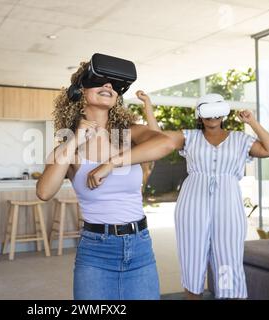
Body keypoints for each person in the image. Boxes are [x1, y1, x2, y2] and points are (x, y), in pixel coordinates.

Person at [36, 54, 177, 300]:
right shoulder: (69, 148)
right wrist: (75, 138)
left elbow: (165, 143)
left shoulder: (130, 134)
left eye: (113, 84)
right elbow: (44, 192)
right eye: (100, 81)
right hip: (96, 251)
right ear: (79, 92)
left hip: (141, 245)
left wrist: (111, 163)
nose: (108, 86)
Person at [141, 93, 269, 299]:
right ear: (199, 114)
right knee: (192, 258)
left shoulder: (241, 139)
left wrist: (252, 122)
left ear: (223, 113)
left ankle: (228, 294)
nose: (212, 116)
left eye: (217, 111)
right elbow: (158, 139)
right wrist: (148, 106)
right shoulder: (188, 137)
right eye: (207, 110)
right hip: (192, 203)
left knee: (228, 257)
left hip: (228, 205)